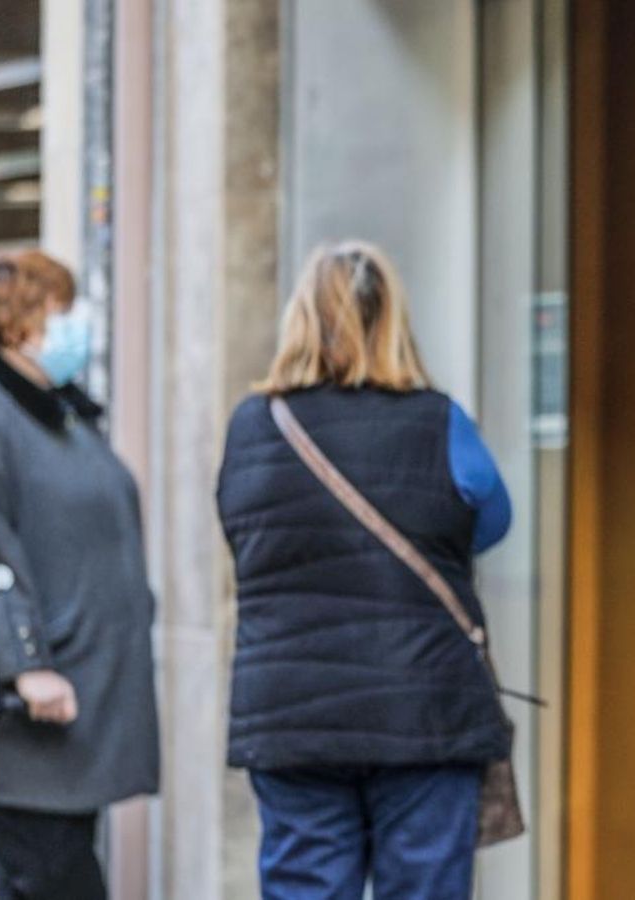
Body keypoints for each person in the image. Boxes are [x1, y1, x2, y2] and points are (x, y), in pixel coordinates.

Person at [216, 241, 513, 899]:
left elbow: (243, 536)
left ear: (299, 319)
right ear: (394, 321)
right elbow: (491, 524)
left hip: (294, 715)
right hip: (423, 713)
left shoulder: (252, 427)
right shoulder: (441, 422)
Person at [0, 251, 160, 899]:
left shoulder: (57, 412)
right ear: (19, 321)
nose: (77, 327)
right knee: (54, 882)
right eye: (61, 312)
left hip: (79, 715)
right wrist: (25, 662)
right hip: (26, 719)